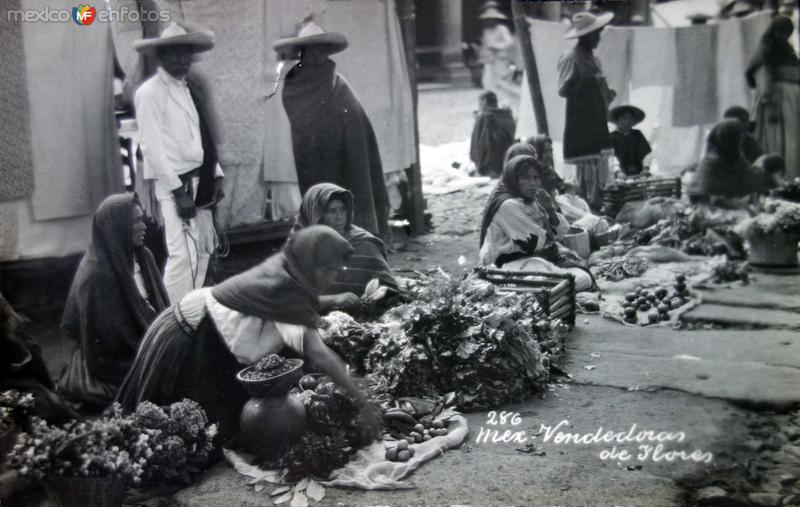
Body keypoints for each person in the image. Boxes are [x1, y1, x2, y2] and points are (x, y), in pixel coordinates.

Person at [117, 226, 381, 442]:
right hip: (191, 330)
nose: (334, 277)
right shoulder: (288, 287)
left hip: (210, 324)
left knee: (223, 425)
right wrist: (360, 398)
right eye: (330, 270)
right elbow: (317, 352)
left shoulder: (290, 267)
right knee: (191, 431)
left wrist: (330, 300)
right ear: (312, 264)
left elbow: (298, 307)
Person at [133, 21, 226, 304]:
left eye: (185, 53)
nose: (180, 60)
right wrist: (177, 192)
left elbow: (203, 137)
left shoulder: (188, 89)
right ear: (161, 56)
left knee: (204, 250)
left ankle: (192, 311)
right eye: (173, 53)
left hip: (201, 181)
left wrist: (217, 174)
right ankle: (169, 319)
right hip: (177, 184)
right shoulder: (150, 93)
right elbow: (152, 148)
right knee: (181, 255)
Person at [274, 22, 390, 240]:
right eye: (312, 50)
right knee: (320, 204)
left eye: (323, 49)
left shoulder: (338, 84)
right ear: (302, 53)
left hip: (345, 158)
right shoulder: (293, 85)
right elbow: (300, 120)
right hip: (312, 157)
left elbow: (356, 121)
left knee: (344, 205)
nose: (318, 56)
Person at [58, 194, 169, 410]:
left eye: (142, 218)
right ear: (118, 228)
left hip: (146, 341)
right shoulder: (96, 277)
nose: (144, 226)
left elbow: (160, 305)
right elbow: (104, 347)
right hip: (116, 360)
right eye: (136, 221)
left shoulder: (143, 256)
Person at [479, 155, 594, 292]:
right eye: (526, 178)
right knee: (572, 280)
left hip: (531, 259)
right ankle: (535, 293)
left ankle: (543, 293)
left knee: (582, 277)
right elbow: (533, 243)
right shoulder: (508, 205)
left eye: (536, 178)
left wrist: (550, 210)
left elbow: (560, 233)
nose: (533, 183)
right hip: (506, 264)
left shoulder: (530, 200)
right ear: (514, 180)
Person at [292, 183, 399, 297]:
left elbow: (389, 287)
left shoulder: (364, 243)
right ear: (316, 216)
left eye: (342, 209)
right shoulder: (299, 244)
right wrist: (332, 300)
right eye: (331, 211)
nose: (339, 217)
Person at [558, 11, 616, 211]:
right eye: (596, 34)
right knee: (584, 164)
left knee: (598, 161)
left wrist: (605, 92)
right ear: (585, 36)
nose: (599, 38)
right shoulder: (571, 58)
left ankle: (597, 200)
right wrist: (589, 83)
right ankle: (582, 203)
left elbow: (600, 88)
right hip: (580, 119)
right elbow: (563, 90)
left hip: (596, 117)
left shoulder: (594, 60)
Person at [746, 15, 800, 180]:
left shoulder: (788, 49)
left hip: (792, 98)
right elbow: (763, 77)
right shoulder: (767, 48)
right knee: (777, 138)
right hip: (777, 99)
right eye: (782, 31)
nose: (784, 35)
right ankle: (779, 176)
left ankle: (793, 175)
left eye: (787, 32)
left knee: (792, 138)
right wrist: (769, 102)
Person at [686, 119, 764, 204]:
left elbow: (751, 189)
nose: (741, 139)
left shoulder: (740, 161)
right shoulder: (711, 163)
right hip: (713, 213)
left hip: (740, 211)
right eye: (738, 136)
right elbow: (706, 198)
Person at [479, 7, 518, 110]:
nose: (490, 21)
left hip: (500, 58)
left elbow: (509, 42)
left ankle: (513, 100)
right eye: (488, 19)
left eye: (492, 19)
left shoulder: (502, 29)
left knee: (502, 82)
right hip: (489, 59)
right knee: (487, 81)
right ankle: (492, 102)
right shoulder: (486, 31)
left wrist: (496, 46)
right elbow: (485, 44)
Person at [470, 91, 516, 178]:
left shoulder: (485, 117)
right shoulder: (506, 114)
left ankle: (485, 170)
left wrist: (478, 120)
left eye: (479, 102)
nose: (478, 106)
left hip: (491, 166)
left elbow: (479, 144)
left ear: (484, 101)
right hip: (507, 161)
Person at [609, 105, 653, 178]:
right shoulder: (612, 137)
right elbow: (611, 157)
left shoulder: (637, 134)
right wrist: (618, 172)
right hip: (619, 176)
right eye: (624, 118)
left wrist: (645, 168)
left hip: (638, 174)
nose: (627, 121)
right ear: (618, 120)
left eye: (630, 119)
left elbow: (646, 153)